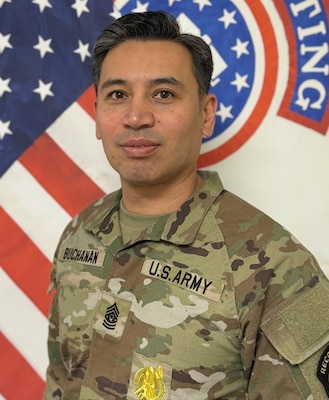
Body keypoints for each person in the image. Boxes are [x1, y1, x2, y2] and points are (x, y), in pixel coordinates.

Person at [44, 10, 329, 400]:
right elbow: (61, 382)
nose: (136, 116)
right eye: (117, 95)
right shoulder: (81, 233)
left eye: (164, 94)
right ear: (96, 116)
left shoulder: (277, 267)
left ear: (206, 113)